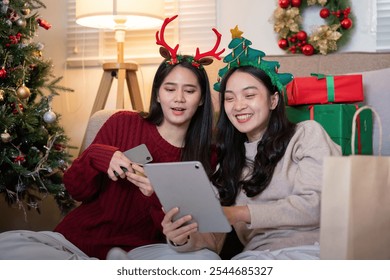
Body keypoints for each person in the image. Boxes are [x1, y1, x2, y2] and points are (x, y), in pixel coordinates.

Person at [0, 15, 224, 260]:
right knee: (8, 246)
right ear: (158, 95)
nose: (179, 98)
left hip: (143, 251)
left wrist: (158, 194)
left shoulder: (207, 157)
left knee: (206, 260)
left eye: (189, 91)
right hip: (79, 241)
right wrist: (99, 155)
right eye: (170, 89)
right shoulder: (123, 123)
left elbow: (187, 232)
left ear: (201, 99)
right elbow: (75, 189)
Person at [112, 26, 341, 260]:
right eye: (229, 98)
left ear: (273, 100)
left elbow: (316, 205)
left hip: (315, 249)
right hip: (255, 259)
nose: (238, 105)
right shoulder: (226, 161)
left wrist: (239, 213)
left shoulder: (306, 135)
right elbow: (213, 240)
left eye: (250, 96)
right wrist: (182, 238)